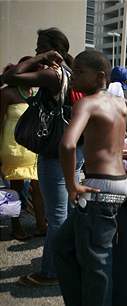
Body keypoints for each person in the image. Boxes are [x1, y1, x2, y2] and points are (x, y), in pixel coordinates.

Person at [54, 50, 127, 306]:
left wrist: (71, 184)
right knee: (62, 246)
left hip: (99, 188)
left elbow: (68, 145)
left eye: (80, 72)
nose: (74, 77)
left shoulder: (87, 102)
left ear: (100, 76)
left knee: (97, 265)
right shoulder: (118, 103)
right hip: (116, 184)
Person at [2, 27, 85, 286]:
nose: (36, 50)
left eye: (40, 46)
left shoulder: (52, 74)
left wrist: (40, 58)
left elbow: (10, 75)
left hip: (55, 152)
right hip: (75, 149)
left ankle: (51, 271)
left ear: (52, 48)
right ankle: (68, 260)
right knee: (68, 210)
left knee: (56, 214)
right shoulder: (70, 73)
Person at [0, 57, 46, 240]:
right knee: (15, 190)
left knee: (38, 188)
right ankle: (16, 226)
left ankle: (41, 225)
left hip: (34, 149)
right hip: (13, 149)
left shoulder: (35, 93)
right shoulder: (7, 93)